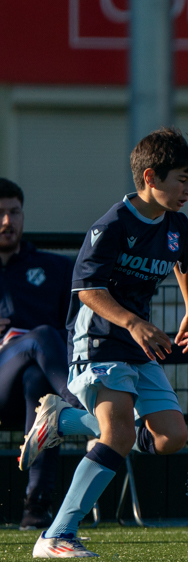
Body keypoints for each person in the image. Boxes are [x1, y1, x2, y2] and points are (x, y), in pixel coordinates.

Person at [23, 127, 188, 557]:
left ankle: (61, 422)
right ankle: (56, 536)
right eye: (182, 179)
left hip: (136, 341)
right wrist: (134, 323)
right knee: (119, 434)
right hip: (98, 337)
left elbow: (183, 259)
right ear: (151, 177)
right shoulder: (112, 226)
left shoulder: (176, 223)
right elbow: (87, 290)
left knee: (171, 436)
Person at [0, 179, 76, 530]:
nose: (6, 221)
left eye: (13, 212)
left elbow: (73, 329)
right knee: (40, 336)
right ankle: (75, 403)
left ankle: (37, 504)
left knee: (37, 381)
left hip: (32, 387)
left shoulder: (53, 269)